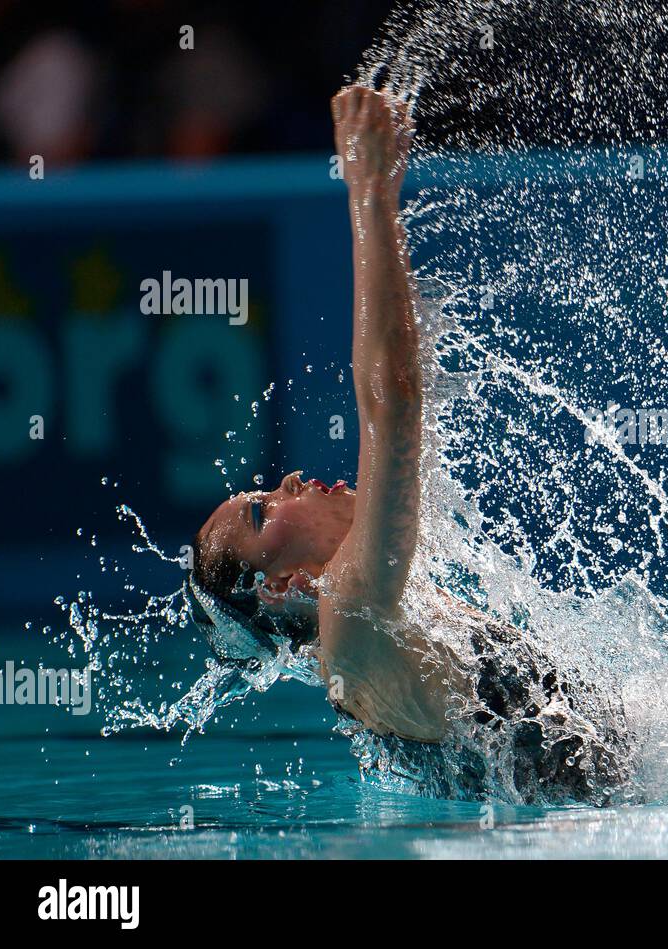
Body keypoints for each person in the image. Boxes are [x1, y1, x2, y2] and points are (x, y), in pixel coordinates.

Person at [185, 86, 632, 805]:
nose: (291, 479)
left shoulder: (371, 624)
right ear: (282, 586)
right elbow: (394, 400)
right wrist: (367, 189)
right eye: (265, 512)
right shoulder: (351, 620)